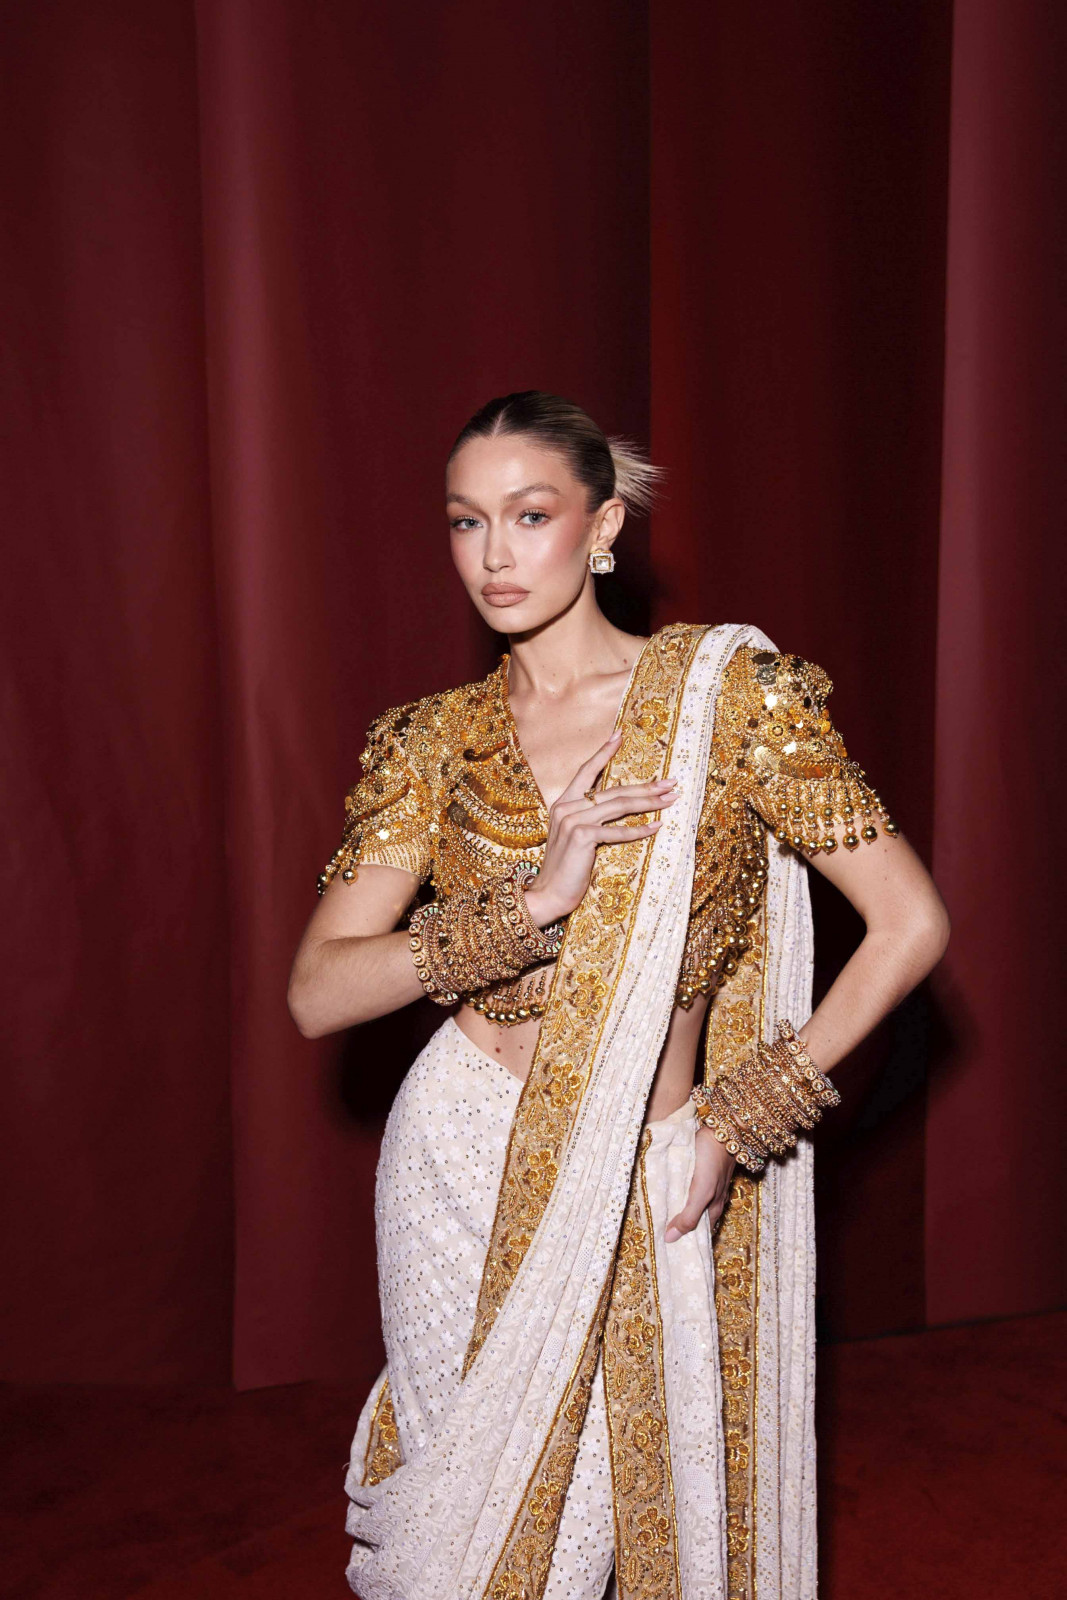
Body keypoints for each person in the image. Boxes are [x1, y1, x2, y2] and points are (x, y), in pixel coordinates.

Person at [287, 391, 949, 1600]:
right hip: (454, 1156)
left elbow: (909, 925)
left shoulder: (728, 700)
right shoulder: (433, 740)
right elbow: (319, 992)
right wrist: (532, 903)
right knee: (455, 1542)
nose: (493, 554)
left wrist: (740, 1117)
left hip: (645, 1162)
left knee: (600, 1516)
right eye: (465, 521)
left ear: (600, 527)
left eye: (528, 515)